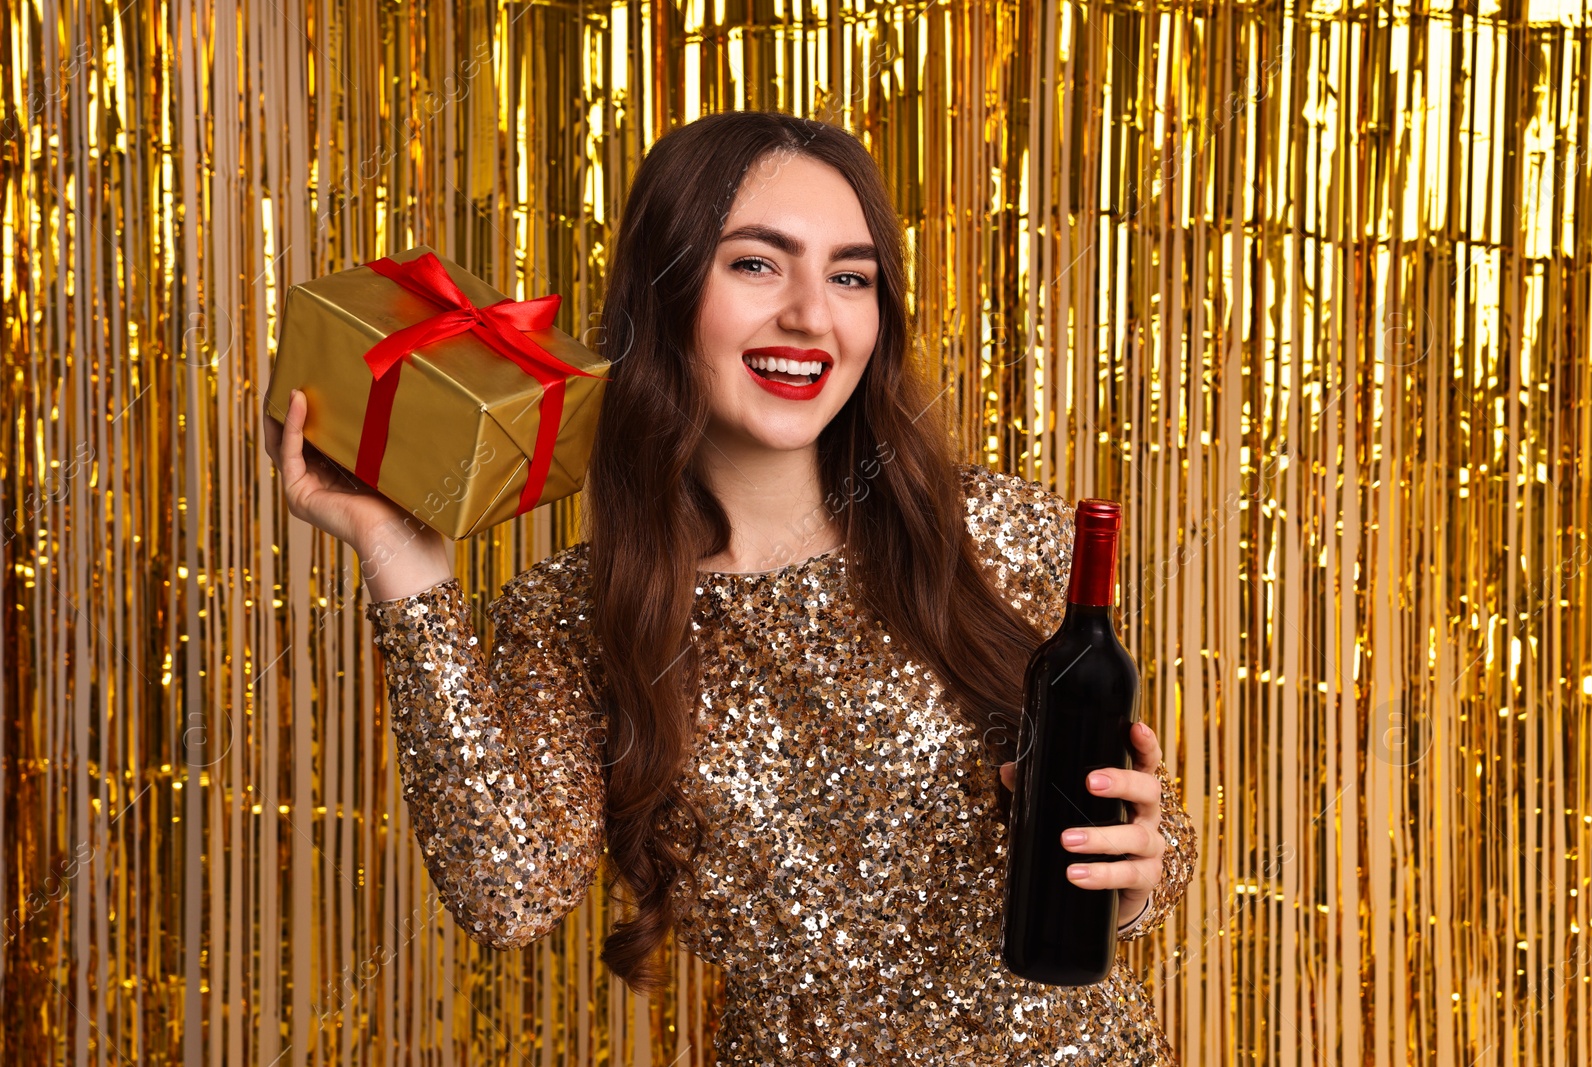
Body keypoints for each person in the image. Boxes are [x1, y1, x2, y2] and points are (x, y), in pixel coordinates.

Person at [263, 110, 1197, 1064]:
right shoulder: (571, 614)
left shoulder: (1007, 534)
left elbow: (1148, 835)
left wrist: (1142, 874)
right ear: (664, 293)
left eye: (850, 276)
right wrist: (404, 568)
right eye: (756, 264)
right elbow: (509, 893)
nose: (811, 313)